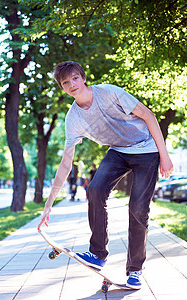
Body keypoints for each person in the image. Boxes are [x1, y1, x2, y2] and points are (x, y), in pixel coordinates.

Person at [38, 61, 173, 289]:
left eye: (75, 78)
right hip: (118, 151)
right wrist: (49, 204)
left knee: (138, 208)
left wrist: (165, 156)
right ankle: (98, 254)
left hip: (147, 149)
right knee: (95, 190)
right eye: (65, 83)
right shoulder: (73, 119)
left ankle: (135, 270)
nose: (72, 85)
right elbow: (65, 163)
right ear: (62, 88)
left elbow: (149, 116)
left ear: (83, 77)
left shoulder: (110, 93)